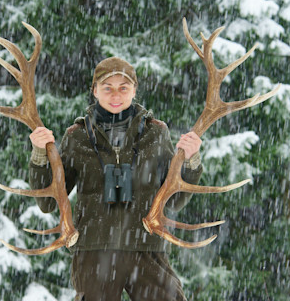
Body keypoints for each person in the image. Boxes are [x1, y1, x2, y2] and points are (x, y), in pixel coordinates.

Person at [29, 57, 203, 301]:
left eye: (123, 87)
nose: (115, 95)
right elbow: (48, 202)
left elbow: (174, 201)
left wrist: (192, 161)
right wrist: (39, 153)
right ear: (95, 90)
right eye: (107, 87)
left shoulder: (156, 132)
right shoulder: (77, 136)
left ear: (135, 90)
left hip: (145, 248)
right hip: (93, 251)